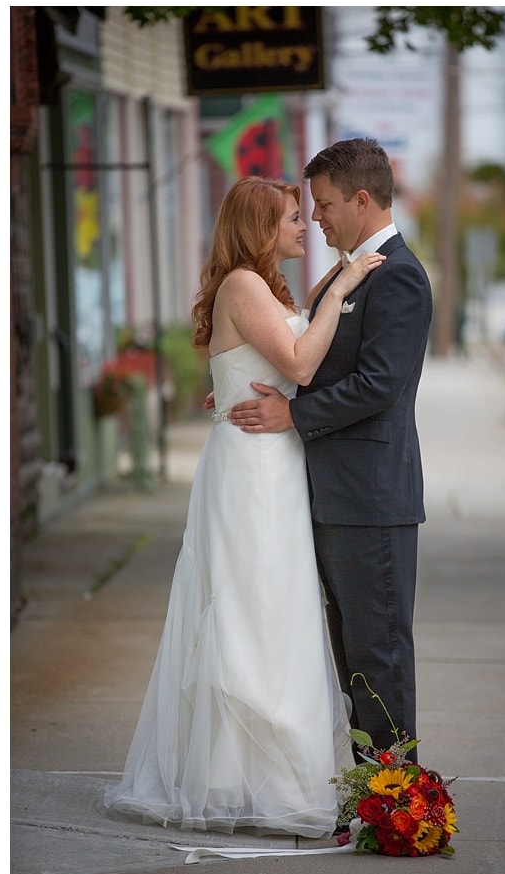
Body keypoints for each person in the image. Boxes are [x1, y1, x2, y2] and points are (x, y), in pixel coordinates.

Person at [103, 176, 383, 837]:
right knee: (251, 612)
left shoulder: (262, 287)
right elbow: (300, 364)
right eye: (291, 216)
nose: (303, 224)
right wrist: (341, 290)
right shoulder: (244, 285)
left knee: (275, 610)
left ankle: (266, 775)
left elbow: (262, 368)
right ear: (259, 227)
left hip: (274, 463)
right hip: (254, 472)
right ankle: (248, 779)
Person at [225, 138, 433, 764]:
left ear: (362, 200)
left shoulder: (399, 277)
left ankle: (399, 801)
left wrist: (293, 414)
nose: (316, 217)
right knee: (353, 658)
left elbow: (378, 385)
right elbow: (313, 360)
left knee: (379, 654)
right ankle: (372, 792)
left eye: (324, 204)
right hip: (334, 496)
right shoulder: (352, 273)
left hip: (372, 499)